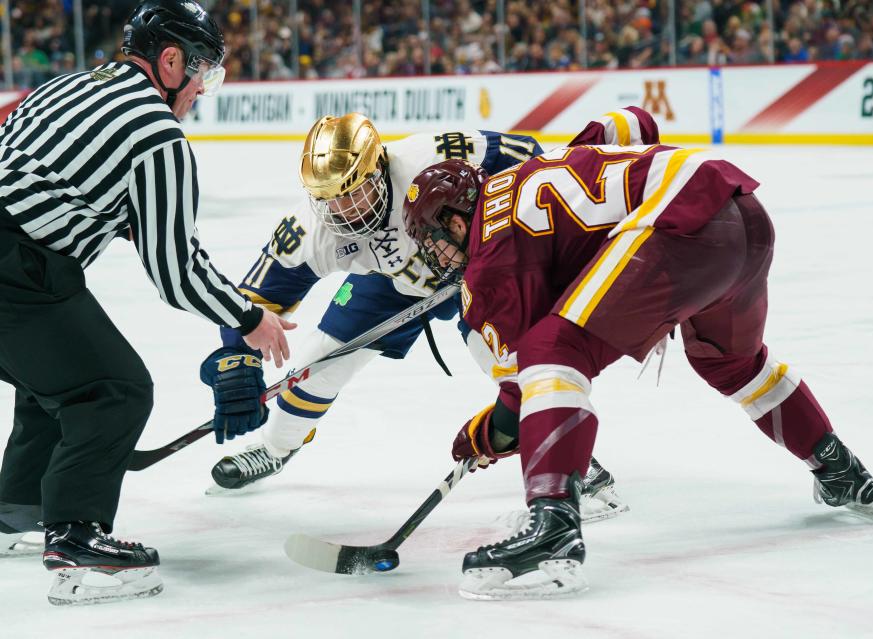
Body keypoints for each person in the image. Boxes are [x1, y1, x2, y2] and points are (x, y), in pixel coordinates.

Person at [403, 144, 873, 600]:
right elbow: (633, 121)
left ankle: (553, 526)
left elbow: (521, 389)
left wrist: (486, 434)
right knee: (730, 362)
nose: (432, 256)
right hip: (743, 212)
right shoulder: (517, 185)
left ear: (453, 216)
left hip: (682, 228)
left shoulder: (490, 254)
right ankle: (837, 467)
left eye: (431, 238)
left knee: (553, 348)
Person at [206, 108, 660, 523]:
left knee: (517, 369)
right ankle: (276, 447)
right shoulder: (312, 228)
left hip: (477, 262)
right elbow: (252, 300)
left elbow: (534, 161)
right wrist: (236, 360)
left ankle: (573, 466)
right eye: (328, 200)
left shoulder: (433, 154)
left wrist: (526, 244)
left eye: (352, 194)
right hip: (392, 283)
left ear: (379, 169)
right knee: (320, 363)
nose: (340, 212)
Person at [0, 0, 292, 605]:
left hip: (16, 260)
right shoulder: (157, 133)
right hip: (18, 271)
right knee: (111, 389)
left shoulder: (67, 87)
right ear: (170, 59)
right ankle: (77, 543)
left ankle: (16, 511)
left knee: (55, 376)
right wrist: (249, 318)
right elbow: (175, 272)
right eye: (203, 72)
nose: (201, 92)